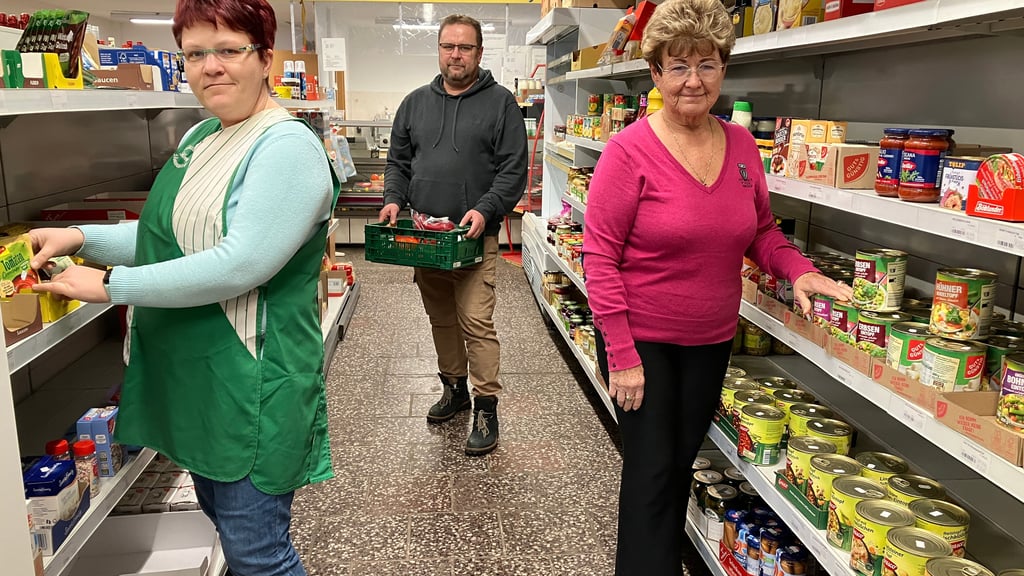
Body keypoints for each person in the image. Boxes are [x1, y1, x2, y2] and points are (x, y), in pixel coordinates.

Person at [29, 1, 339, 574]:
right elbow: (167, 236)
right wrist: (79, 237)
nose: (210, 66)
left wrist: (111, 286)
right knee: (223, 520)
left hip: (252, 380)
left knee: (259, 554)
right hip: (199, 376)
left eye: (229, 50)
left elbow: (239, 263)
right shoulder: (203, 135)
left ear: (265, 58)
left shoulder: (285, 147)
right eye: (195, 53)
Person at [581, 0, 853, 574]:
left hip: (709, 340)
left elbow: (759, 230)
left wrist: (799, 270)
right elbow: (599, 258)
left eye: (706, 64)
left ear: (723, 70)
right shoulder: (627, 152)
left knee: (680, 464)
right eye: (677, 66)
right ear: (655, 74)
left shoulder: (741, 145)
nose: (693, 80)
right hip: (642, 342)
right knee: (651, 473)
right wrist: (622, 356)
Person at [378, 14, 528, 456]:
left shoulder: (501, 104)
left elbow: (512, 170)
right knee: (441, 319)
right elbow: (398, 163)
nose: (456, 54)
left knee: (476, 322)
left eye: (465, 47)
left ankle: (486, 406)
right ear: (439, 51)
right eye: (448, 46)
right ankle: (454, 387)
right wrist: (392, 198)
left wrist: (485, 209)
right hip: (427, 237)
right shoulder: (414, 103)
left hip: (472, 239)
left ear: (480, 53)